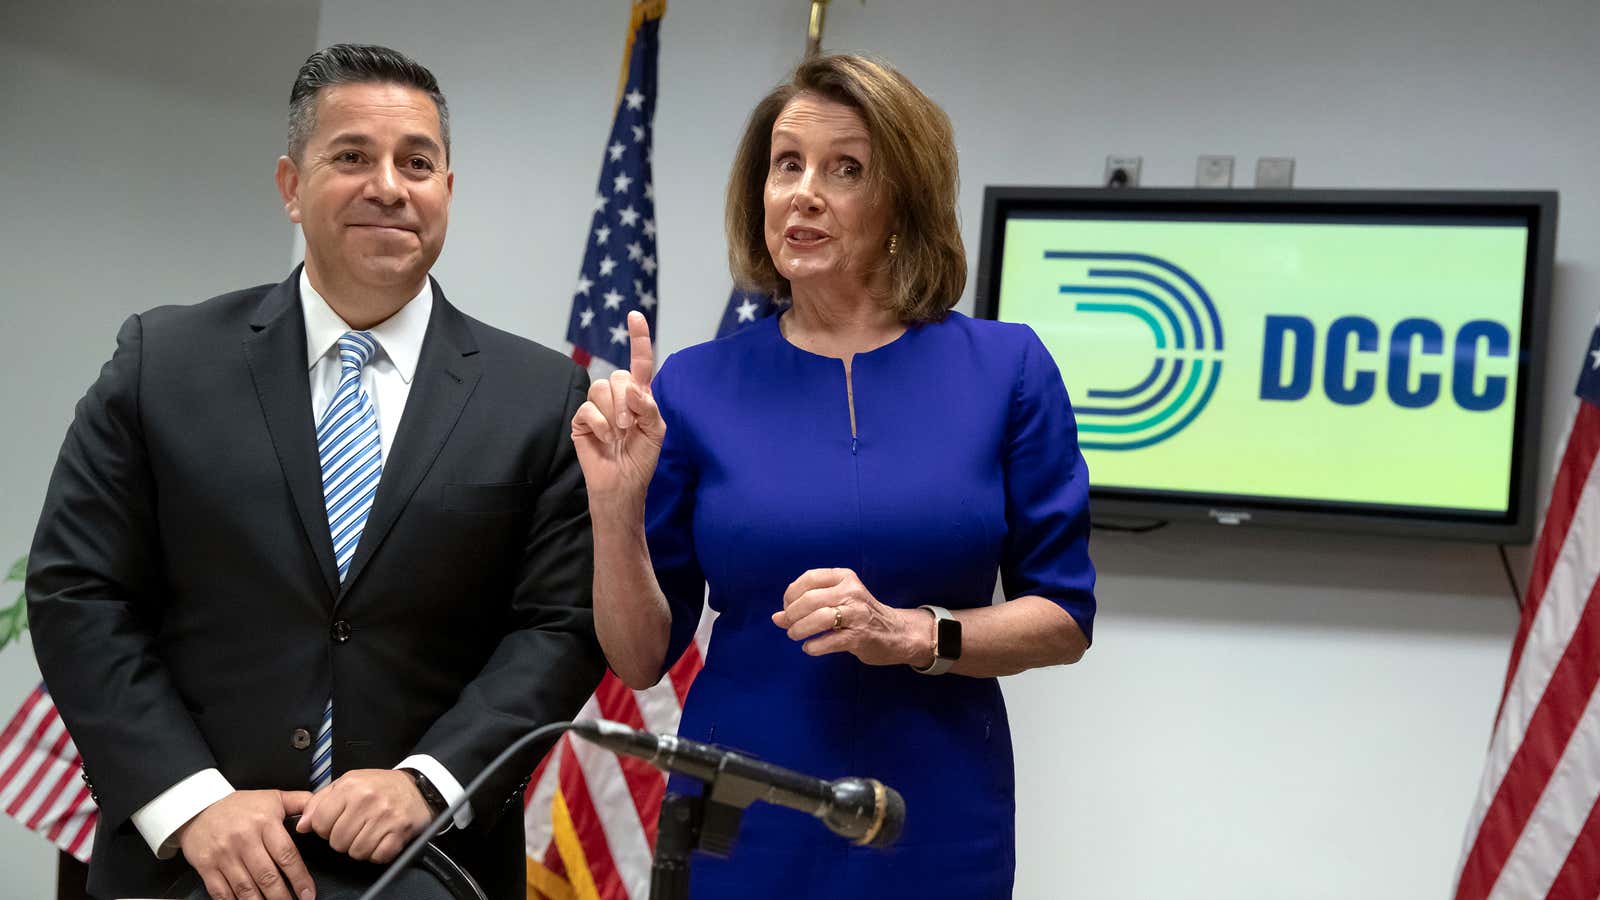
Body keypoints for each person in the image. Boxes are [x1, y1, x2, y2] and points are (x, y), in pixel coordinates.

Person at [26, 44, 604, 900]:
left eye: (417, 162)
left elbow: (558, 624)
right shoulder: (163, 362)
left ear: (448, 188)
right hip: (192, 866)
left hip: (428, 872)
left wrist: (429, 782)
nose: (389, 186)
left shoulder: (542, 396)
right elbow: (79, 592)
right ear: (292, 187)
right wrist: (192, 805)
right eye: (352, 157)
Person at [572, 54, 1096, 897]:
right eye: (787, 165)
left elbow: (1064, 617)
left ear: (902, 202)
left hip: (929, 814)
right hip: (740, 814)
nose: (803, 193)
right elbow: (636, 659)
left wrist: (914, 635)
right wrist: (615, 506)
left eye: (844, 169)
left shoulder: (1007, 369)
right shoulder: (694, 384)